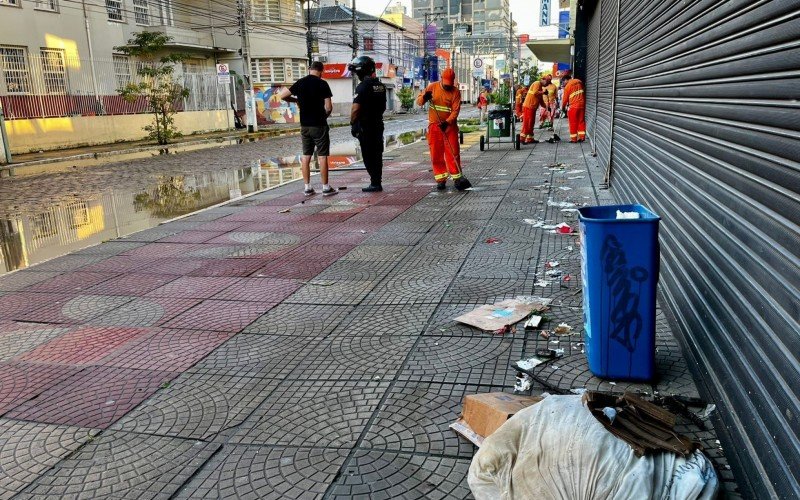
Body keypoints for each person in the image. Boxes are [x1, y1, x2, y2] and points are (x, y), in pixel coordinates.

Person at [279, 61, 336, 196]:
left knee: (306, 156)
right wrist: (324, 117)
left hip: (304, 125)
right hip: (319, 125)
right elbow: (328, 107)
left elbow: (283, 95)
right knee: (322, 157)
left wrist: (296, 100)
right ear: (321, 71)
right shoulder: (323, 84)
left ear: (310, 69)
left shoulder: (301, 82)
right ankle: (326, 187)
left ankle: (307, 187)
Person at [417, 68, 470, 190]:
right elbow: (419, 102)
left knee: (453, 152)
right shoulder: (432, 87)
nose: (447, 87)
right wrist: (425, 97)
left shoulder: (456, 92)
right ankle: (441, 179)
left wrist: (447, 122)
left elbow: (455, 111)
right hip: (434, 126)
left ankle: (457, 178)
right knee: (436, 153)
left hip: (449, 126)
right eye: (446, 84)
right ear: (441, 79)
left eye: (449, 84)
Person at [348, 55, 387, 192]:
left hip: (366, 126)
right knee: (377, 154)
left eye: (357, 72)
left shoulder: (363, 86)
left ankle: (374, 183)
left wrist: (352, 123)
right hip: (378, 124)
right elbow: (383, 106)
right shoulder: (380, 86)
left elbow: (355, 109)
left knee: (368, 155)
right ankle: (377, 181)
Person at [561, 73, 586, 142]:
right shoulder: (579, 81)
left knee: (573, 122)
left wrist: (562, 108)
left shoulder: (567, 86)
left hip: (573, 106)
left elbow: (565, 99)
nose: (563, 83)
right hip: (582, 105)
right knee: (581, 121)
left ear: (566, 80)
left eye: (563, 82)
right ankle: (582, 137)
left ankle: (574, 139)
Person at [521, 78, 543, 144]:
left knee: (531, 123)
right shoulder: (537, 83)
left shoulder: (540, 88)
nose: (547, 84)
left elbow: (541, 100)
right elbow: (535, 93)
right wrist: (543, 92)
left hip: (532, 108)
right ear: (543, 80)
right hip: (528, 107)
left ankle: (530, 138)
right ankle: (522, 138)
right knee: (527, 123)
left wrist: (547, 107)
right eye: (547, 82)